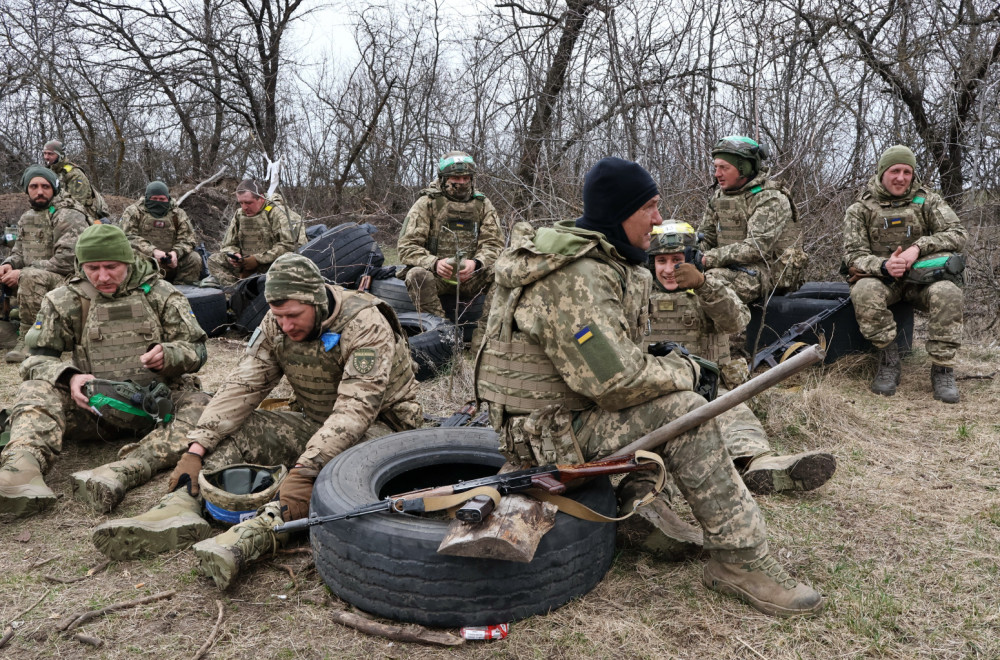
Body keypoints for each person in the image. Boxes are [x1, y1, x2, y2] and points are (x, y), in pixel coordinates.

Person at [476, 157, 823, 618]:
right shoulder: (576, 276)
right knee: (683, 410)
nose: (658, 220)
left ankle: (643, 498)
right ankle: (741, 562)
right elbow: (615, 382)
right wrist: (688, 371)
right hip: (546, 430)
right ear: (621, 211)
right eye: (651, 208)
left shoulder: (595, 259)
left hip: (551, 417)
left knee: (668, 397)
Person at [92, 254, 423, 592]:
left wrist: (307, 469)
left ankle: (253, 536)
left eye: (293, 315)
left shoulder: (365, 323)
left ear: (317, 301)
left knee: (334, 475)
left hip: (383, 434)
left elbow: (356, 408)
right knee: (239, 430)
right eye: (278, 316)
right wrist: (196, 448)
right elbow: (243, 387)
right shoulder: (274, 323)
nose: (285, 326)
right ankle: (182, 506)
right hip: (317, 421)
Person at [0, 224, 209, 517]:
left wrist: (171, 354)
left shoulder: (161, 294)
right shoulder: (65, 299)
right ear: (80, 265)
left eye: (112, 267)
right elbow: (35, 359)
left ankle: (127, 467)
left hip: (157, 411)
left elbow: (198, 349)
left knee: (203, 407)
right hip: (93, 411)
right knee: (35, 389)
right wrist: (70, 377)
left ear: (128, 261)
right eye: (92, 268)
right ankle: (21, 471)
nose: (102, 276)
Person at [644, 221, 835, 495]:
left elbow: (737, 321)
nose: (669, 268)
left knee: (737, 418)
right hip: (656, 392)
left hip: (708, 388)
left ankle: (763, 465)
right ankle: (654, 495)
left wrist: (703, 285)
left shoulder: (709, 286)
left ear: (693, 259)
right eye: (661, 260)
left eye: (678, 260)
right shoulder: (639, 293)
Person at [842, 145, 967, 402]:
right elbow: (853, 254)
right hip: (884, 281)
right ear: (882, 172)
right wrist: (884, 266)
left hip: (922, 281)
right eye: (895, 171)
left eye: (907, 172)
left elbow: (958, 234)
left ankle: (942, 368)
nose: (901, 178)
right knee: (863, 291)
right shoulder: (860, 209)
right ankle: (889, 360)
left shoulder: (928, 201)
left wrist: (917, 248)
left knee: (948, 292)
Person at [397, 151, 504, 334]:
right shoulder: (427, 203)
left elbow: (494, 244)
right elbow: (407, 247)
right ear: (444, 178)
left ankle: (484, 337)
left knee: (504, 273)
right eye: (456, 177)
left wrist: (476, 263)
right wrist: (434, 263)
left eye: (466, 178)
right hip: (438, 276)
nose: (461, 182)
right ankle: (442, 334)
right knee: (416, 275)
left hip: (471, 276)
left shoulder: (482, 204)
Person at [697, 136, 807, 303]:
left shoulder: (770, 198)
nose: (717, 174)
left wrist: (707, 259)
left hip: (767, 272)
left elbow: (755, 248)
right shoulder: (719, 197)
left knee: (708, 284)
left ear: (744, 168)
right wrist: (690, 254)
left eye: (724, 168)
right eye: (716, 167)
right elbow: (707, 236)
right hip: (730, 267)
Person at [0, 165, 90, 363]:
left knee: (29, 276)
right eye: (34, 186)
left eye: (45, 186)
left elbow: (67, 260)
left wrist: (22, 272)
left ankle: (32, 340)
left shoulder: (67, 214)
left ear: (54, 188)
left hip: (70, 281)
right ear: (27, 189)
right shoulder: (27, 217)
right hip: (40, 279)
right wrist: (9, 264)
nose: (39, 191)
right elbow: (18, 252)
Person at [206, 179, 305, 286]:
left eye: (249, 203)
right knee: (214, 260)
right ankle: (236, 291)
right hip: (244, 264)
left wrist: (258, 259)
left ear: (261, 198)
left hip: (272, 264)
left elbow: (291, 247)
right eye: (241, 203)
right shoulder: (240, 215)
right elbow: (228, 244)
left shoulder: (279, 213)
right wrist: (234, 255)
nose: (244, 207)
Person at [120, 181, 203, 284]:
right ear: (147, 198)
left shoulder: (177, 214)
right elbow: (127, 237)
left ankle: (184, 290)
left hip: (172, 261)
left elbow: (188, 239)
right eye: (154, 199)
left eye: (161, 199)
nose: (158, 202)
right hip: (145, 261)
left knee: (194, 258)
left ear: (167, 198)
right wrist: (152, 251)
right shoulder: (133, 212)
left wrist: (175, 253)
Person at [41, 139, 108, 221]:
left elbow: (76, 204)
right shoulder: (49, 172)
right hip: (58, 212)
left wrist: (51, 210)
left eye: (50, 154)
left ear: (60, 155)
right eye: (45, 153)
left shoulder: (74, 174)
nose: (46, 157)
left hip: (81, 217)